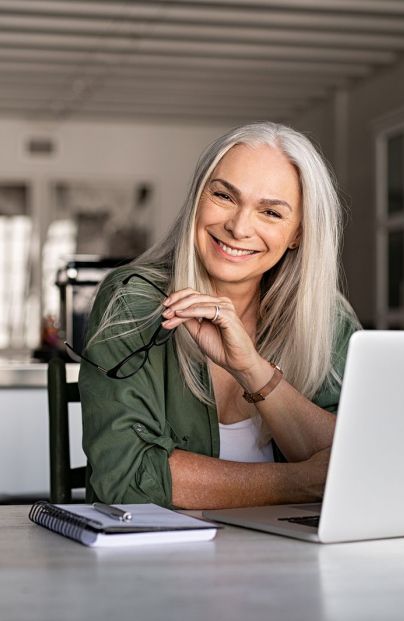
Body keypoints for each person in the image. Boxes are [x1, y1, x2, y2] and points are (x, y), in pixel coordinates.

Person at [76, 122, 361, 509]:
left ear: (298, 233)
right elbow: (126, 478)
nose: (239, 227)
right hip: (154, 561)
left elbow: (360, 464)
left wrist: (252, 370)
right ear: (198, 197)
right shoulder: (133, 300)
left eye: (271, 213)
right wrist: (300, 481)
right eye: (224, 196)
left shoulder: (327, 319)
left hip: (293, 559)